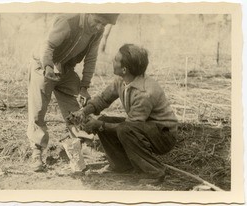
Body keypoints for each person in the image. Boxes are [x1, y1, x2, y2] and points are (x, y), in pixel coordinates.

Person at [71, 44, 178, 183]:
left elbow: (130, 125)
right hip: (145, 127)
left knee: (122, 128)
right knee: (105, 121)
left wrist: (100, 124)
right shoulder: (122, 81)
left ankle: (155, 172)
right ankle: (122, 165)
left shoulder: (144, 92)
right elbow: (103, 99)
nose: (112, 61)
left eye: (116, 59)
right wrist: (83, 112)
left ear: (124, 69)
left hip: (164, 136)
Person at [28, 13, 119, 171]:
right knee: (38, 109)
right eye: (97, 21)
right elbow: (48, 45)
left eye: (103, 25)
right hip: (43, 65)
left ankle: (77, 150)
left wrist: (84, 87)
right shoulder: (68, 21)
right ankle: (37, 152)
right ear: (89, 12)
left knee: (74, 111)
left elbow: (91, 59)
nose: (99, 27)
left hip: (66, 69)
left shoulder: (97, 32)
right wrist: (48, 66)